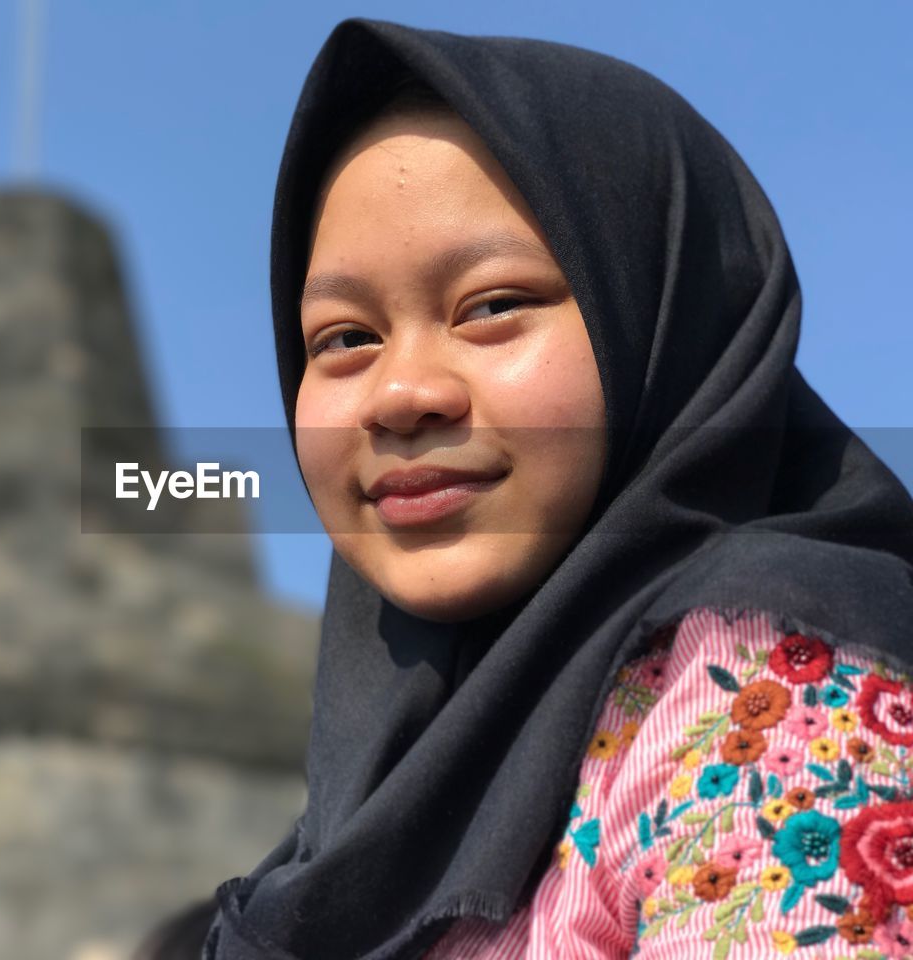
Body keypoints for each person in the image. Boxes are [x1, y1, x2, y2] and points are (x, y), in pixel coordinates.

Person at [154, 17, 913, 960]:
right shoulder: (365, 812)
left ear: (660, 319)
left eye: (492, 307)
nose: (401, 394)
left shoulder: (772, 701)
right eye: (344, 338)